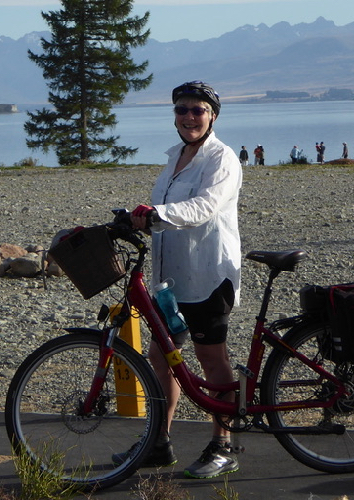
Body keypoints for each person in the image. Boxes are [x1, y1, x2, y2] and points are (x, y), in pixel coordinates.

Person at [122, 80, 243, 480]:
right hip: (170, 282)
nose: (189, 117)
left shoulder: (221, 158)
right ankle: (158, 442)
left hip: (208, 275)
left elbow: (204, 207)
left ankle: (224, 445)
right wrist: (135, 219)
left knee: (212, 361)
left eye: (198, 110)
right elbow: (164, 210)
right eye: (181, 110)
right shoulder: (175, 156)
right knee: (161, 359)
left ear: (212, 116)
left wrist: (157, 212)